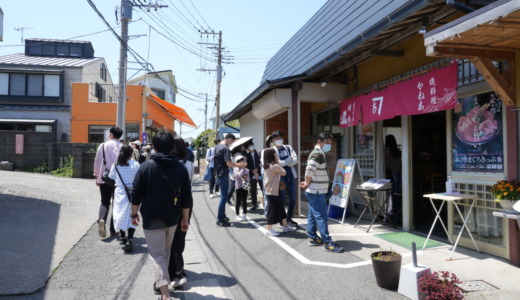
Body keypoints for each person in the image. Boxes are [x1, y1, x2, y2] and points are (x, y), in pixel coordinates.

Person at [130, 132, 191, 300]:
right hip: (173, 217)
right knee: (165, 251)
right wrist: (185, 219)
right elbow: (187, 197)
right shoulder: (180, 168)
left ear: (154, 147)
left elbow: (136, 194)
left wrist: (133, 214)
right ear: (172, 147)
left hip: (151, 218)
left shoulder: (146, 167)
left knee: (157, 255)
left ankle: (165, 294)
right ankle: (162, 284)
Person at [300, 132, 344, 253]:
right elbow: (309, 171)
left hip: (315, 190)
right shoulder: (317, 154)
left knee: (313, 215)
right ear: (319, 142)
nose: (329, 145)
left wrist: (307, 183)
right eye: (327, 142)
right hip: (316, 191)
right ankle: (327, 242)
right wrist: (307, 182)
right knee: (322, 217)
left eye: (330, 143)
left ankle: (313, 238)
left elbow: (310, 172)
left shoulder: (319, 153)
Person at [168, 137, 193, 289]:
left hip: (170, 202)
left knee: (169, 237)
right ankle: (178, 267)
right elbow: (188, 184)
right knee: (180, 235)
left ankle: (176, 270)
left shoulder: (168, 164)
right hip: (186, 202)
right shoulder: (189, 164)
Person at [93, 126, 123, 238]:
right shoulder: (122, 147)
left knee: (104, 202)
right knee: (117, 204)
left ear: (110, 134)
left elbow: (97, 161)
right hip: (119, 180)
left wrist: (97, 176)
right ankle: (113, 229)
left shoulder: (103, 145)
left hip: (104, 178)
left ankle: (102, 219)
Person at [108, 145, 139, 252]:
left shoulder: (115, 165)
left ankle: (122, 236)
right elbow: (139, 179)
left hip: (120, 192)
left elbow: (111, 178)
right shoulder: (135, 164)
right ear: (131, 154)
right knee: (132, 214)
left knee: (119, 213)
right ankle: (130, 238)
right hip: (133, 192)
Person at [214, 133, 245, 227]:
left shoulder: (217, 146)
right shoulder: (225, 148)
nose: (232, 144)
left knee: (223, 197)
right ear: (229, 139)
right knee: (224, 198)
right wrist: (240, 165)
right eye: (232, 141)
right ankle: (220, 219)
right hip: (223, 175)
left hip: (217, 174)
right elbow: (228, 163)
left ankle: (223, 216)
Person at [263, 148, 296, 236]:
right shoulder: (275, 166)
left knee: (281, 208)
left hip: (271, 190)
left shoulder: (267, 165)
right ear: (272, 155)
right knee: (271, 211)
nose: (277, 155)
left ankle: (285, 226)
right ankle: (269, 229)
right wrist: (278, 162)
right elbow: (284, 173)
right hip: (274, 191)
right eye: (276, 154)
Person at [271, 130, 299, 227]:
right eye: (277, 138)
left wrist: (285, 162)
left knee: (293, 198)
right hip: (280, 178)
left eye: (280, 138)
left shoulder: (288, 147)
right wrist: (288, 159)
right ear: (273, 140)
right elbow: (277, 164)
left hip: (290, 176)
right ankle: (281, 219)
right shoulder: (272, 150)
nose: (279, 140)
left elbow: (296, 159)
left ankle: (289, 218)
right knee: (282, 198)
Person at [246, 142, 263, 211]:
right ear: (247, 148)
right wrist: (252, 170)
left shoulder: (259, 153)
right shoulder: (247, 155)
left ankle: (267, 203)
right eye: (249, 146)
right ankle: (254, 205)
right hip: (252, 175)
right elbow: (246, 165)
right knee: (253, 190)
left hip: (259, 174)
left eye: (251, 145)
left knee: (263, 188)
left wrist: (257, 170)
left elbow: (262, 163)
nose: (251, 147)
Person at [233, 154, 250, 221]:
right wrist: (242, 170)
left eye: (243, 160)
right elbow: (237, 176)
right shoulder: (235, 169)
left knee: (244, 201)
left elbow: (248, 178)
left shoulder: (246, 169)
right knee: (238, 201)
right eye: (240, 161)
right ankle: (237, 214)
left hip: (245, 187)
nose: (242, 162)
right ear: (237, 162)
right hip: (238, 186)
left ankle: (244, 214)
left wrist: (245, 176)